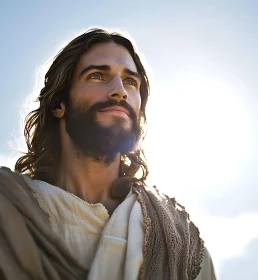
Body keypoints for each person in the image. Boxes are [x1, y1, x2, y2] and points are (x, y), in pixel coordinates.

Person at [0, 28, 216, 280]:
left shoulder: (183, 245)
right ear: (59, 104)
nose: (119, 91)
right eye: (97, 76)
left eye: (130, 82)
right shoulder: (9, 210)